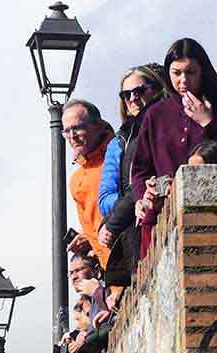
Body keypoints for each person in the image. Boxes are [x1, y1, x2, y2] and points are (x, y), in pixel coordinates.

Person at [131, 39, 217, 258]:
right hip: (163, 217)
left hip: (211, 216)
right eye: (176, 73)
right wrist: (143, 196)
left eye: (191, 72)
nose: (183, 80)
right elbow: (140, 168)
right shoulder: (156, 114)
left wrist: (208, 122)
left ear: (203, 72)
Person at [98, 64, 167, 286]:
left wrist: (112, 223)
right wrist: (111, 221)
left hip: (154, 218)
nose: (132, 98)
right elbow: (110, 195)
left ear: (157, 88)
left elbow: (145, 180)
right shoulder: (123, 136)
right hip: (132, 224)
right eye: (126, 94)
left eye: (139, 91)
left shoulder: (158, 124)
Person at [62, 99, 116, 268]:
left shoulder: (120, 153)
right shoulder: (76, 180)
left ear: (98, 126)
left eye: (78, 128)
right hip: (111, 271)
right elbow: (92, 228)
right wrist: (87, 238)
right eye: (67, 131)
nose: (72, 136)